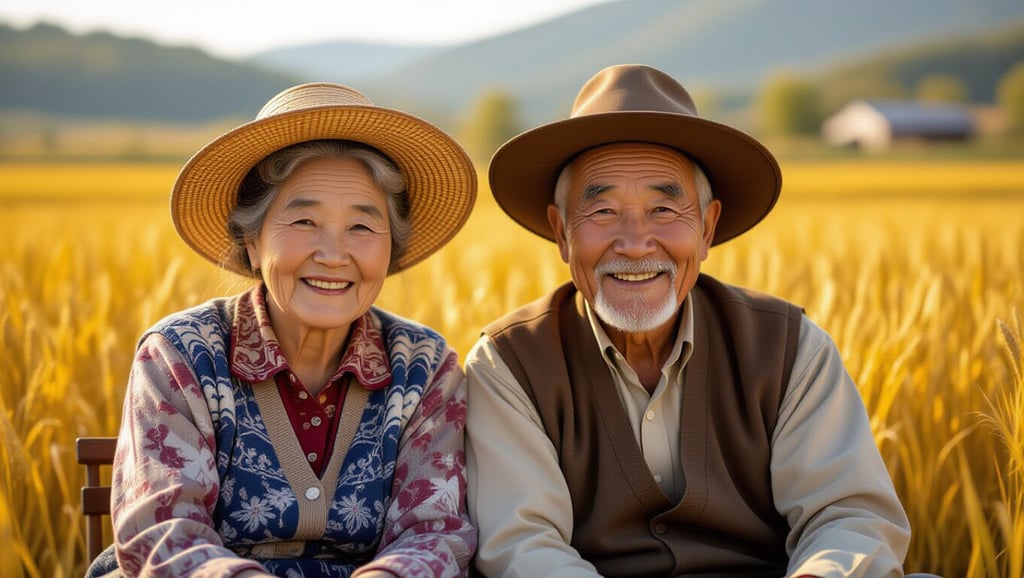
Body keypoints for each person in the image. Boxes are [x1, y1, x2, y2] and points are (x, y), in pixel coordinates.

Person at [465, 64, 914, 577]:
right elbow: (523, 546)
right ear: (561, 232)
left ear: (707, 227)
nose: (635, 243)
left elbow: (848, 516)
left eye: (663, 210)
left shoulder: (787, 348)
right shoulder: (510, 363)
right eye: (603, 211)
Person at [88, 82, 478, 577]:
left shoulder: (423, 367)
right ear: (251, 242)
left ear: (390, 250)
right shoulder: (182, 356)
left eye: (361, 227)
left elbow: (434, 534)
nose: (333, 254)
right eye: (304, 221)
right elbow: (165, 535)